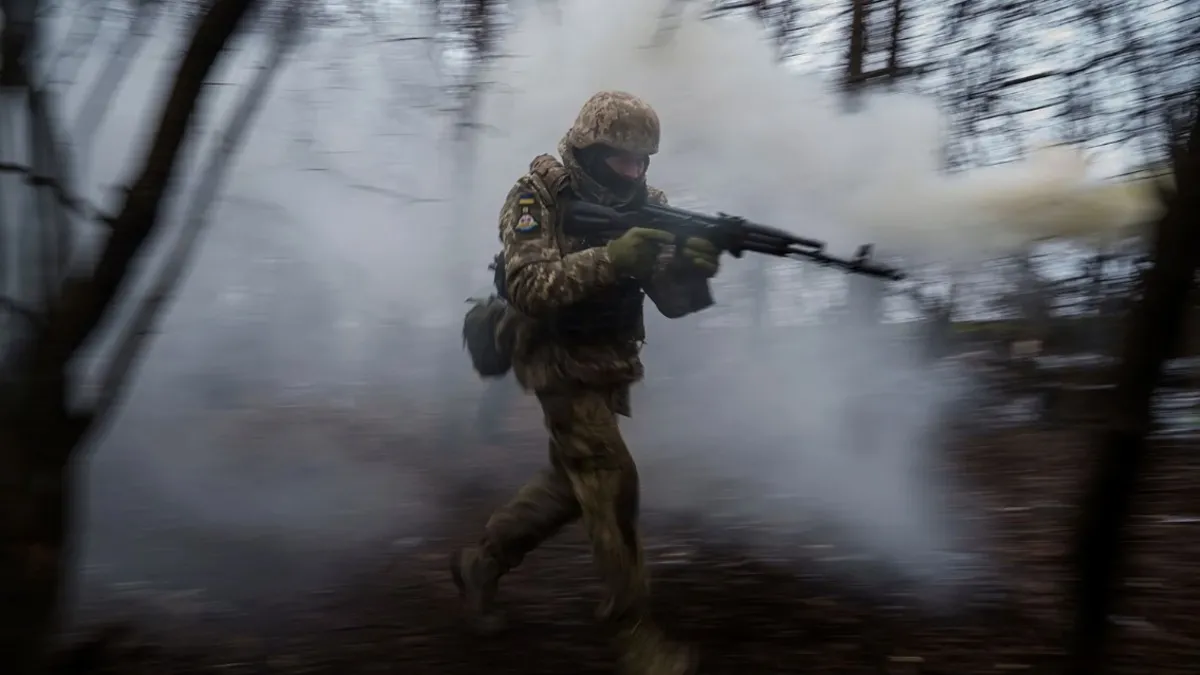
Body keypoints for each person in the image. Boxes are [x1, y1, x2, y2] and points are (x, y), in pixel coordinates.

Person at [449, 91, 721, 675]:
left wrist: (692, 271)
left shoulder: (650, 204)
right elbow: (528, 287)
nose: (637, 172)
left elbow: (672, 304)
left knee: (572, 485)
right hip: (551, 354)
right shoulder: (537, 196)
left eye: (644, 161)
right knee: (610, 480)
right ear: (591, 151)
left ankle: (483, 562)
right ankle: (633, 629)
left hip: (607, 362)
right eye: (625, 160)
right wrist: (614, 258)